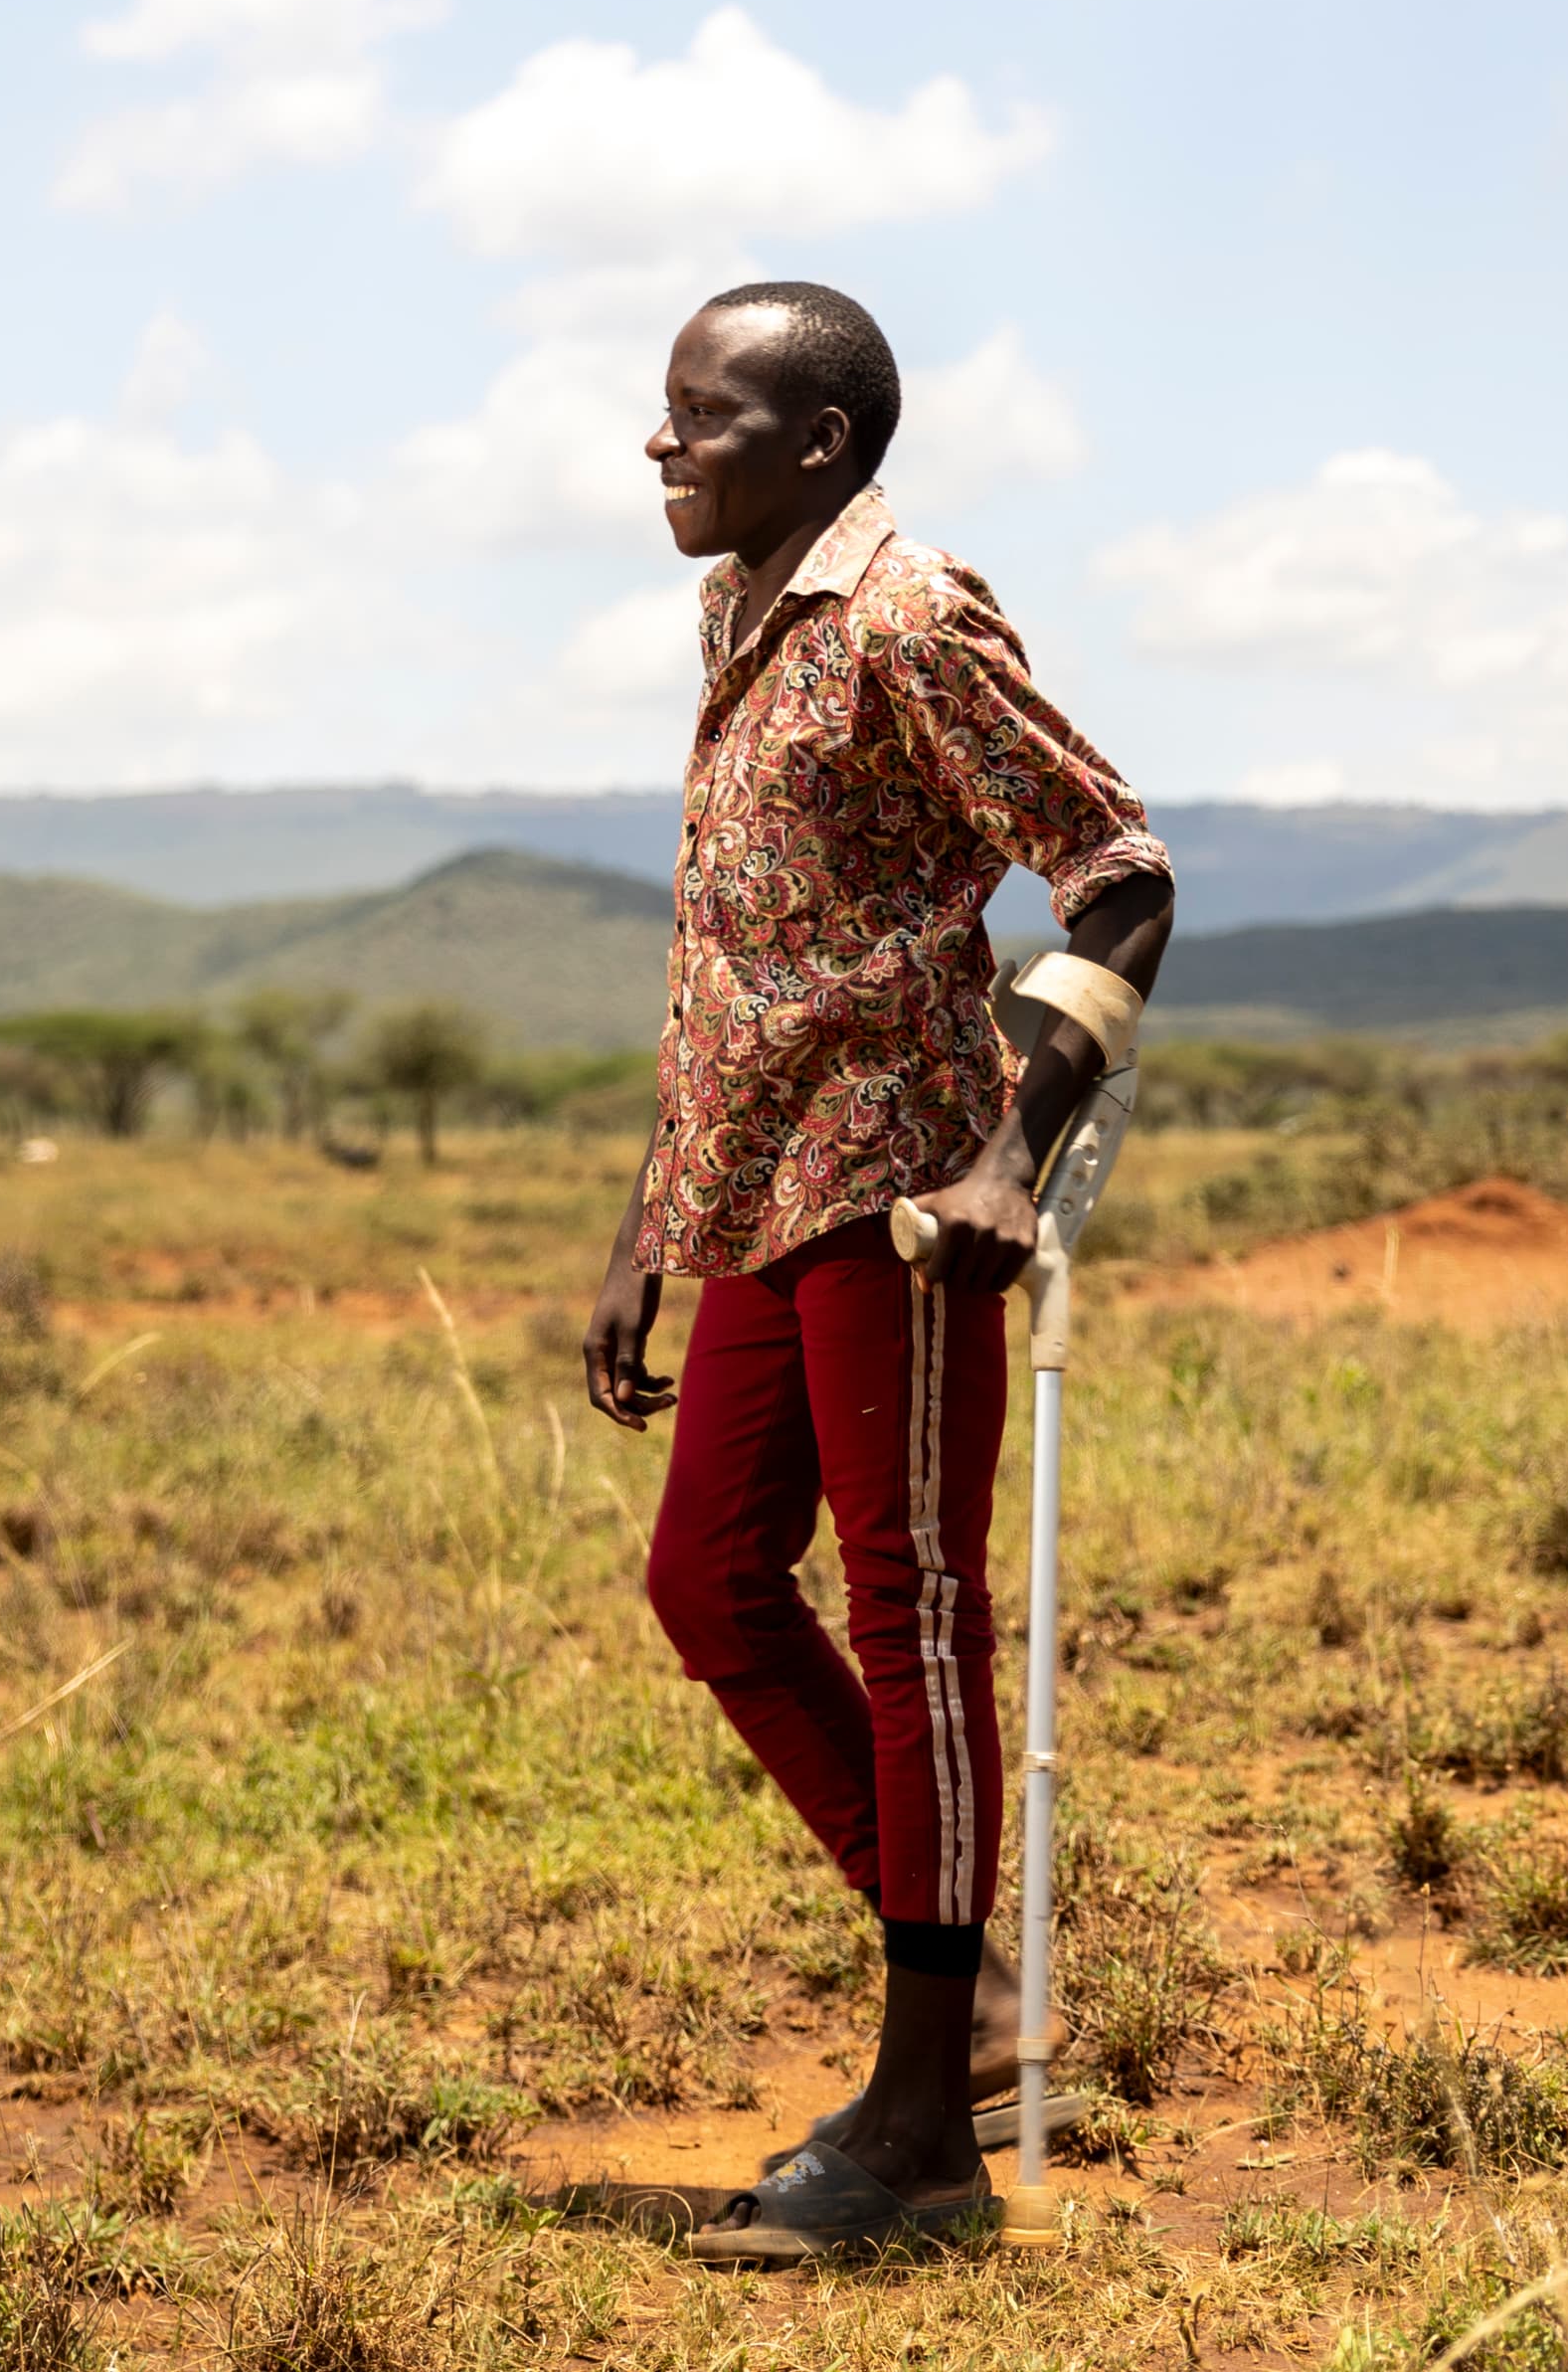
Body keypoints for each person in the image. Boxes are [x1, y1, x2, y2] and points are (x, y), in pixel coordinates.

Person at [580, 279, 1175, 2261]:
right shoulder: (746, 611)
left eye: (701, 417)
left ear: (820, 441)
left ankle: (925, 2123)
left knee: (910, 1605)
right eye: (665, 414)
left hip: (908, 1180)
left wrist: (1022, 1150)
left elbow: (1118, 864)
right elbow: (730, 955)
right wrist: (650, 1219)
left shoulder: (909, 621)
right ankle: (975, 2006)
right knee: (708, 1576)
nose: (661, 445)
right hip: (758, 1186)